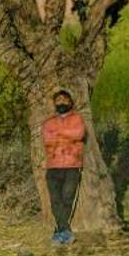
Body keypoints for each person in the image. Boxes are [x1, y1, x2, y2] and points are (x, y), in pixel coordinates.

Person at [39, 88, 87, 245]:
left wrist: (59, 133)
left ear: (70, 102)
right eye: (58, 100)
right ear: (54, 103)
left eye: (64, 100)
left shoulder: (78, 119)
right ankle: (64, 231)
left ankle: (59, 232)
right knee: (55, 200)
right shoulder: (48, 123)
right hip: (53, 166)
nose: (61, 103)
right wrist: (66, 134)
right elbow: (47, 139)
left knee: (67, 198)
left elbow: (78, 134)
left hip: (72, 165)